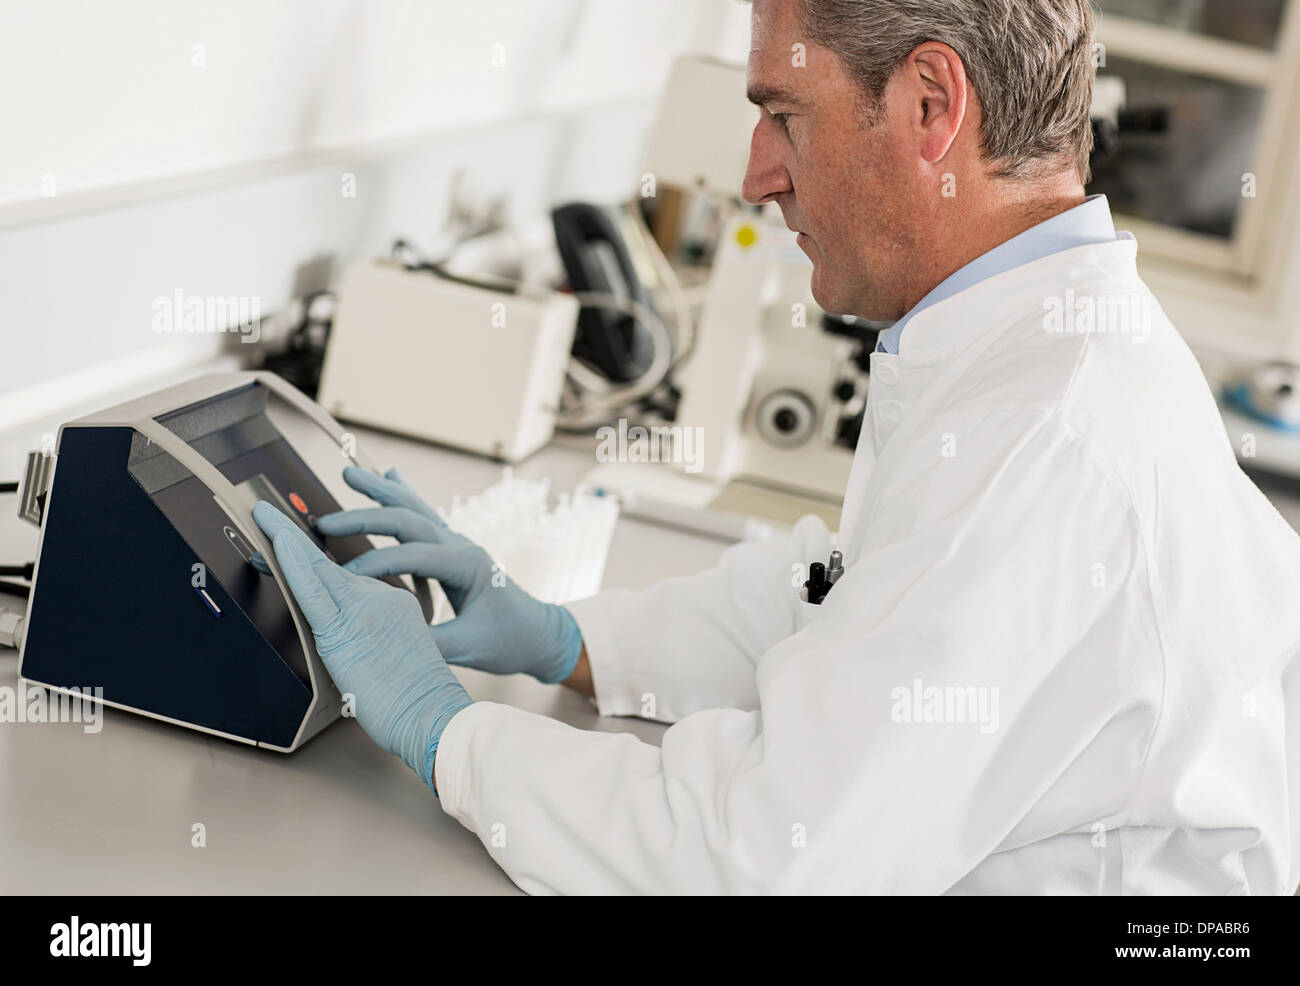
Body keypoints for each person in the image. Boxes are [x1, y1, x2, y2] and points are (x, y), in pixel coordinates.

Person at [254, 0, 1300, 894]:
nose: (758, 176)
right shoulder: (1022, 344)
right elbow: (852, 600)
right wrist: (568, 640)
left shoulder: (1050, 433)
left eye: (783, 116)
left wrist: (447, 732)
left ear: (931, 107)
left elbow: (759, 856)